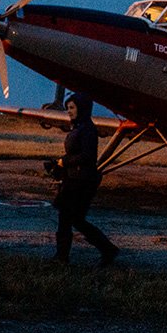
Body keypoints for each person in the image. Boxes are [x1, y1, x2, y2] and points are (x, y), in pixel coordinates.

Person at [49, 92, 118, 265]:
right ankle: (106, 249)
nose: (69, 111)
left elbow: (88, 156)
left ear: (82, 108)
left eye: (72, 108)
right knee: (73, 220)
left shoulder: (87, 129)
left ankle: (62, 257)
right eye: (68, 108)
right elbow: (76, 153)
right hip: (75, 179)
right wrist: (59, 164)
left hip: (81, 182)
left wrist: (64, 161)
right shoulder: (79, 127)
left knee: (68, 219)